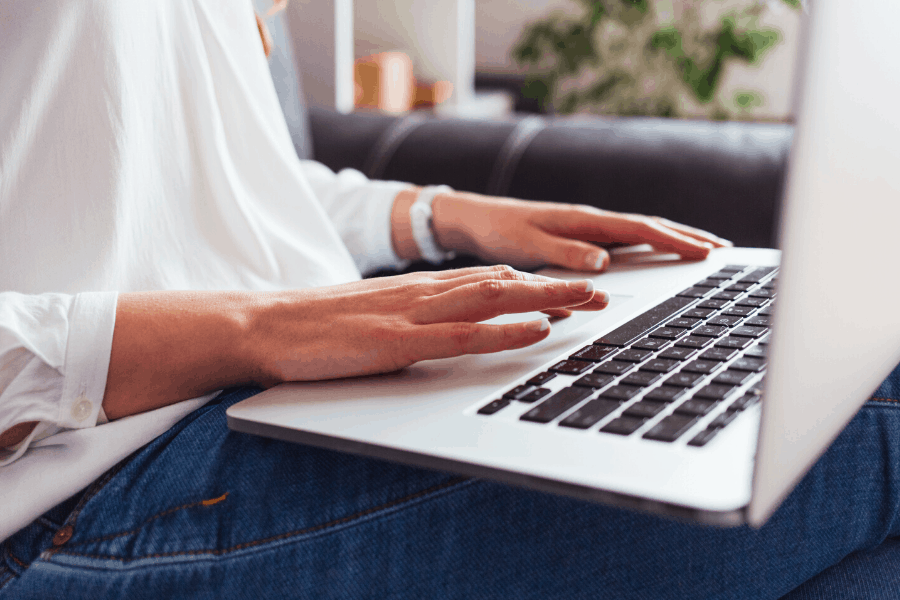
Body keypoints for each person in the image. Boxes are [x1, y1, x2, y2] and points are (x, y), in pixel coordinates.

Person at [1, 1, 899, 598]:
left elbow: (201, 183)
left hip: (277, 395)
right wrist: (260, 328)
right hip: (89, 488)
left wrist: (442, 215)